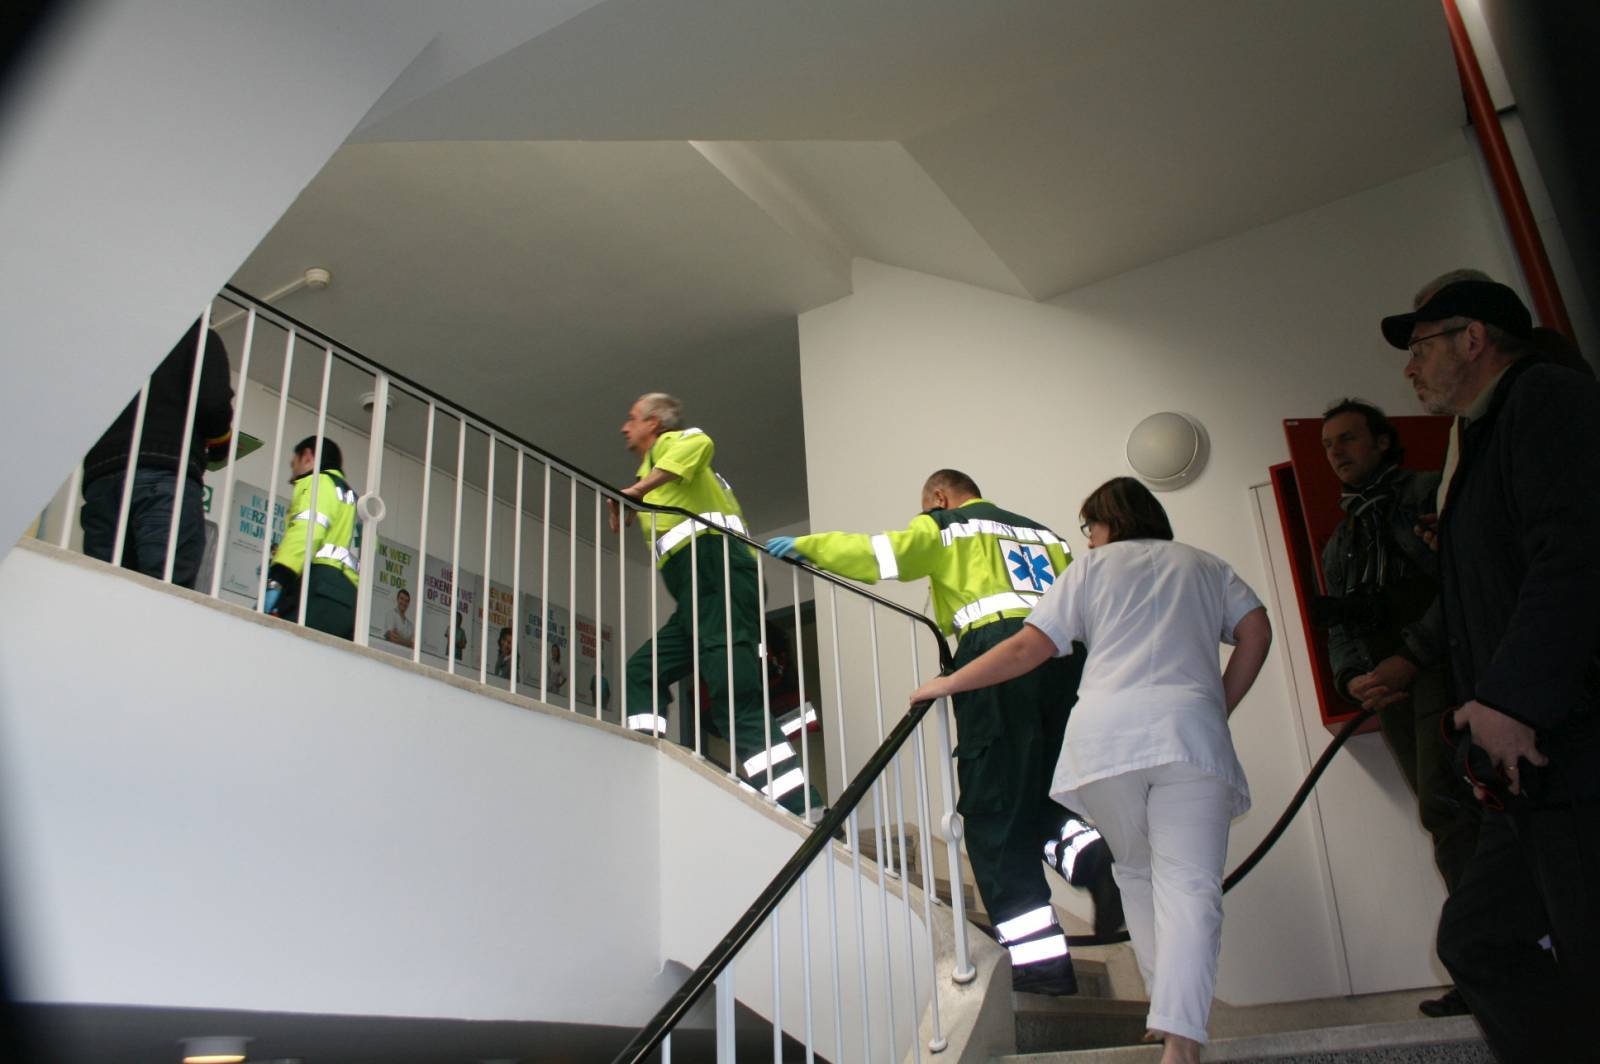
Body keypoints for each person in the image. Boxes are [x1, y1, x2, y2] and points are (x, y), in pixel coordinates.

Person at [912, 477, 1270, 1063]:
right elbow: (1257, 631)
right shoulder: (1206, 566)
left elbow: (1026, 649)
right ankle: (1181, 1037)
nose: (1089, 539)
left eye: (1090, 527)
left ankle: (1166, 1015)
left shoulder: (1089, 571)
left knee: (1137, 874)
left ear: (1108, 521)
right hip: (1189, 737)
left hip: (1108, 745)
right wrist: (1219, 705)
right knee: (1189, 884)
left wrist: (950, 683)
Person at [767, 469, 1119, 996]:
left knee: (992, 813)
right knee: (1041, 791)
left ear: (939, 497)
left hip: (998, 657)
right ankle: (1090, 857)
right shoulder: (1046, 536)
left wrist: (809, 547)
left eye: (927, 505)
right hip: (1066, 662)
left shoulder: (948, 525)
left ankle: (1042, 966)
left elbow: (882, 554)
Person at [1381, 278, 1600, 1063]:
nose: (1410, 367)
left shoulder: (1545, 400)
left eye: (1420, 346)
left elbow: (1575, 554)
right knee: (1478, 940)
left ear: (1473, 338)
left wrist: (1512, 700)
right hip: (1531, 763)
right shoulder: (1481, 440)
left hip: (1572, 743)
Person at [1315, 399, 1480, 1018]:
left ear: (1382, 441)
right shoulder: (1342, 538)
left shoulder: (1427, 494)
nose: (1337, 452)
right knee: (1441, 815)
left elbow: (1464, 582)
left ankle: (1487, 964)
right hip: (1390, 685)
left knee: (1451, 806)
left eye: (1348, 438)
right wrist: (1354, 678)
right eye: (1328, 444)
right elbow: (1341, 623)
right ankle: (1482, 964)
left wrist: (1411, 655)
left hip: (1441, 667)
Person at [607, 392, 821, 815]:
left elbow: (701, 441)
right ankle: (647, 758)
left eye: (632, 418)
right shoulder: (654, 469)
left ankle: (802, 806)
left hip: (717, 576)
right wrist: (638, 496)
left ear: (655, 423)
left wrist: (637, 492)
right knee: (643, 671)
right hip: (697, 595)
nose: (624, 427)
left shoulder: (673, 444)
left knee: (734, 700)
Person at [80, 319, 234, 589]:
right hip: (163, 473)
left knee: (104, 589)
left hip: (101, 477)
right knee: (165, 589)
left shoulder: (117, 340)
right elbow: (213, 404)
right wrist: (220, 445)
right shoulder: (198, 337)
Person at [265, 436, 359, 640]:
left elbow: (307, 531)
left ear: (308, 457)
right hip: (351, 600)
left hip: (320, 587)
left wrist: (278, 578)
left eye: (294, 465)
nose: (292, 477)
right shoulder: (356, 501)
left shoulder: (319, 482)